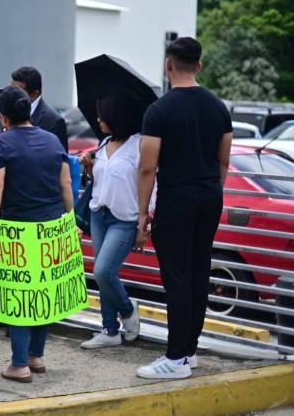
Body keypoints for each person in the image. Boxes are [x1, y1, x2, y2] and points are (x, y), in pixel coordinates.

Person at [136, 37, 232, 380]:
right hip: (210, 197)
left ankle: (175, 358)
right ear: (200, 65)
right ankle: (188, 351)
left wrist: (143, 213)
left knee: (177, 278)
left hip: (176, 199)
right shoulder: (219, 107)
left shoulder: (159, 110)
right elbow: (224, 160)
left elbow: (147, 167)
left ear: (168, 65)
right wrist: (209, 190)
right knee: (197, 272)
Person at [0, 86, 73, 383]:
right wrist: (69, 220)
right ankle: (36, 356)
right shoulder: (52, 140)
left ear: (3, 116)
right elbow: (66, 183)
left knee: (18, 296)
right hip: (50, 226)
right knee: (43, 291)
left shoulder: (2, 142)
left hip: (14, 229)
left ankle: (19, 364)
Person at [0, 66, 68, 331]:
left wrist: (66, 216)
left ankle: (21, 326)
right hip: (6, 203)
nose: (12, 91)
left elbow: (61, 168)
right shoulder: (4, 112)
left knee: (29, 271)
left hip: (32, 202)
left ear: (34, 93)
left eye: (19, 88)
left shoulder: (52, 120)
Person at [78, 93, 145, 349]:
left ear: (117, 117)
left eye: (102, 115)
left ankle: (127, 311)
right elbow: (99, 180)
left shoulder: (139, 145)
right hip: (99, 214)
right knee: (105, 274)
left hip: (124, 218)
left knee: (103, 271)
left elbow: (151, 183)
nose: (98, 119)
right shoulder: (105, 142)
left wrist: (143, 222)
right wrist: (89, 165)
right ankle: (110, 330)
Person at [0, 66, 68, 152]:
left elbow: (59, 161)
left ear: (34, 94)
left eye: (17, 90)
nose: (11, 93)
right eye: (10, 88)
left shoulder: (53, 121)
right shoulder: (7, 106)